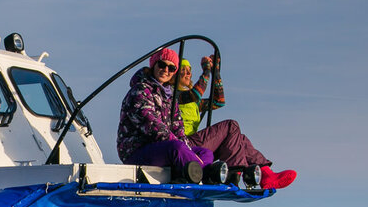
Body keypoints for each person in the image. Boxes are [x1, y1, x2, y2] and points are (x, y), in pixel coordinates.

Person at [117, 47, 296, 189]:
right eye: (162, 65)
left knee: (234, 141)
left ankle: (262, 173)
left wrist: (216, 71)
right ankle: (225, 174)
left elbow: (218, 102)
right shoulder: (170, 94)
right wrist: (207, 72)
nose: (167, 70)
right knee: (224, 130)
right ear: (154, 66)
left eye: (172, 68)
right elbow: (153, 124)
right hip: (152, 146)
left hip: (177, 144)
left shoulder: (169, 97)